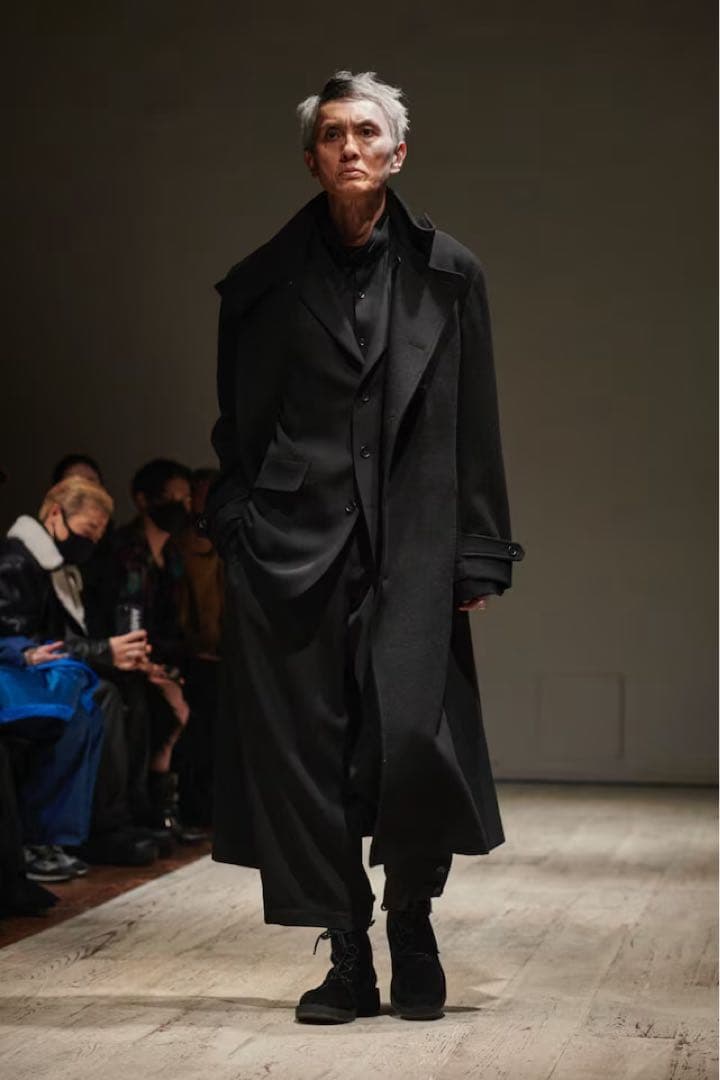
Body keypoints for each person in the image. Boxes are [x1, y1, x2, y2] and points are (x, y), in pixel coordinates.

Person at [206, 70, 525, 1024]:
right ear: (311, 158)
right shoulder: (262, 283)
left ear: (398, 151)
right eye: (333, 134)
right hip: (293, 551)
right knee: (310, 754)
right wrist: (237, 524)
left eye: (367, 132)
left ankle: (413, 926)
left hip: (414, 546)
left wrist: (478, 550)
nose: (351, 146)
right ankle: (349, 954)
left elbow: (475, 422)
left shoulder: (449, 273)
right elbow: (239, 425)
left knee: (413, 744)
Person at [0, 476, 162, 874]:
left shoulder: (59, 568)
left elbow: (56, 641)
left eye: (98, 535)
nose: (90, 542)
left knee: (115, 691)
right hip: (17, 674)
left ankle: (106, 822)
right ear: (55, 514)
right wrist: (104, 652)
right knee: (91, 701)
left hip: (41, 670)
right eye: (88, 530)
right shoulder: (18, 562)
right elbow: (20, 639)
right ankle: (75, 832)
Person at [111, 459, 206, 841]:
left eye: (186, 498)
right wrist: (151, 664)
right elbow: (126, 617)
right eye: (172, 497)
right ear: (144, 500)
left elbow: (173, 623)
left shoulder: (172, 556)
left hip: (164, 656)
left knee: (200, 694)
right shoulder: (127, 551)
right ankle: (147, 811)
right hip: (128, 657)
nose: (182, 506)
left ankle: (176, 808)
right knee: (167, 709)